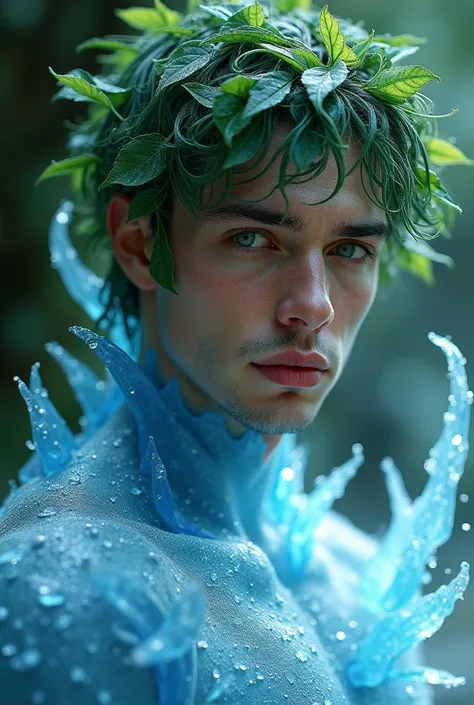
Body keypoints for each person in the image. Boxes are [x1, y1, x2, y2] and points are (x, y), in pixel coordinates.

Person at [0, 1, 472, 703]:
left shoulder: (356, 571)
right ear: (139, 243)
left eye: (349, 250)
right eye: (254, 238)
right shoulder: (63, 584)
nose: (313, 306)